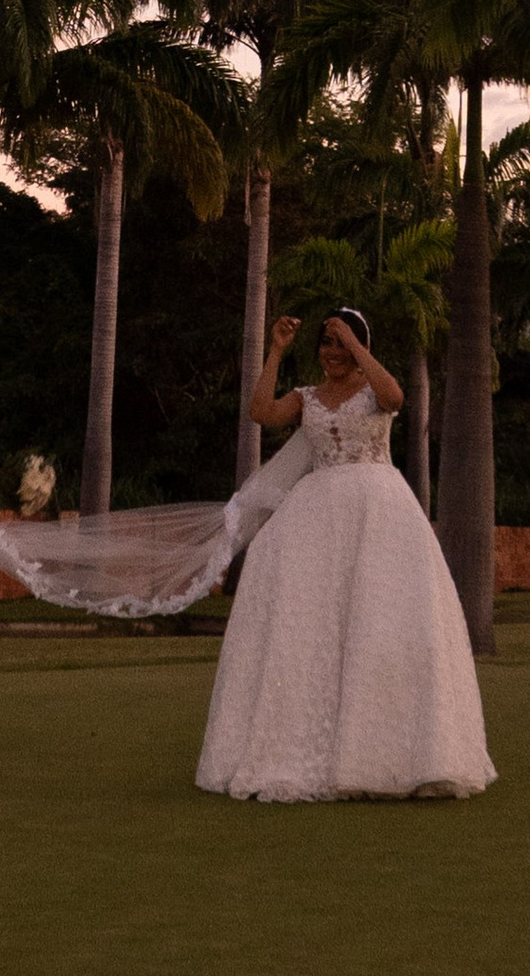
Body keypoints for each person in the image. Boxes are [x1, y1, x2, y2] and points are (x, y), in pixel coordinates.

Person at [195, 308, 496, 804]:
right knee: (317, 626)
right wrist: (276, 350)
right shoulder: (307, 397)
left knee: (381, 623)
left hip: (380, 513)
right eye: (327, 344)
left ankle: (398, 754)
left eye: (341, 344)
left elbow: (396, 397)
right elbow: (261, 412)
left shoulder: (373, 389)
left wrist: (357, 345)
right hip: (317, 516)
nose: (333, 353)